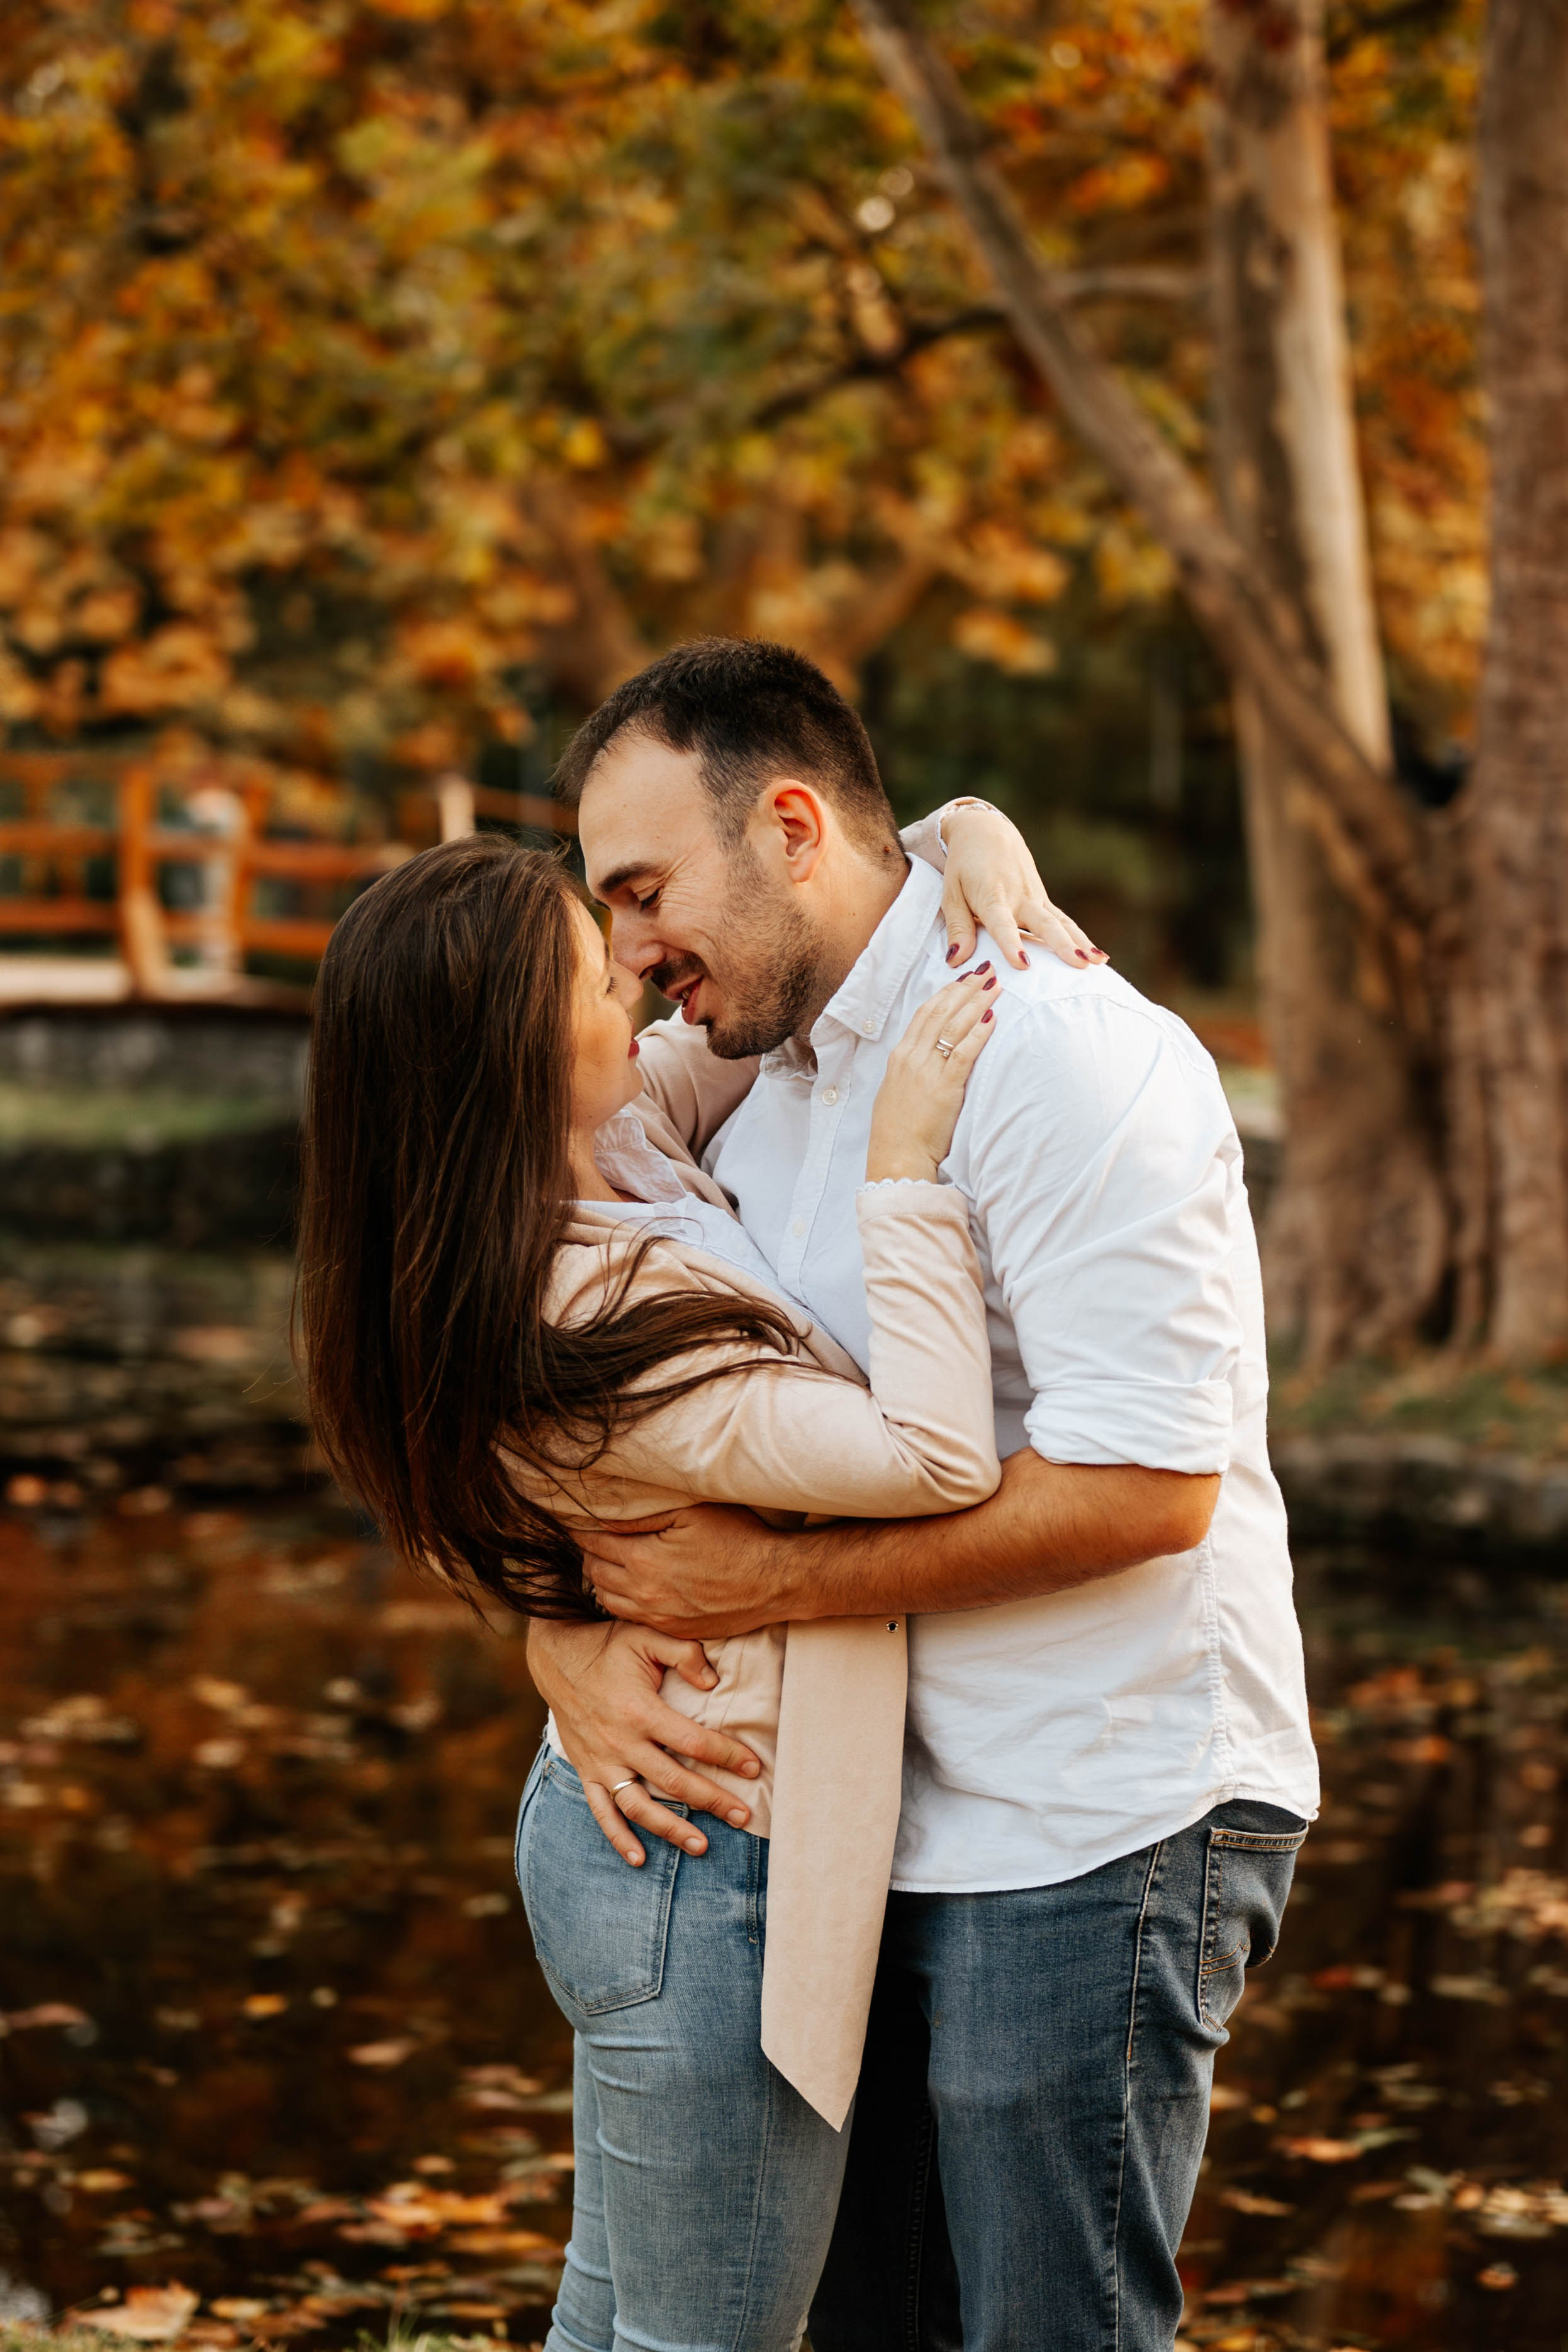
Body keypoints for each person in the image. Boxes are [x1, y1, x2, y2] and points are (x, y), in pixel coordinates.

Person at [530, 636, 1321, 2352]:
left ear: (794, 827)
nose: (627, 948)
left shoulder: (1052, 1055)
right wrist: (560, 1634)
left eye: (645, 889)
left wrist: (748, 1588)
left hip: (1089, 1807)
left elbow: (1143, 1495)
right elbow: (543, 1377)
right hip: (869, 1824)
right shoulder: (750, 1071)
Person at [293, 798, 1089, 2352]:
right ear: (509, 1062)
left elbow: (790, 930)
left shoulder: (608, 1147)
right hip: (702, 1868)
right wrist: (902, 1166)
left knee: (618, 2324)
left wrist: (958, 839)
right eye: (599, 982)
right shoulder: (601, 1331)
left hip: (666, 1831)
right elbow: (933, 1459)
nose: (643, 985)